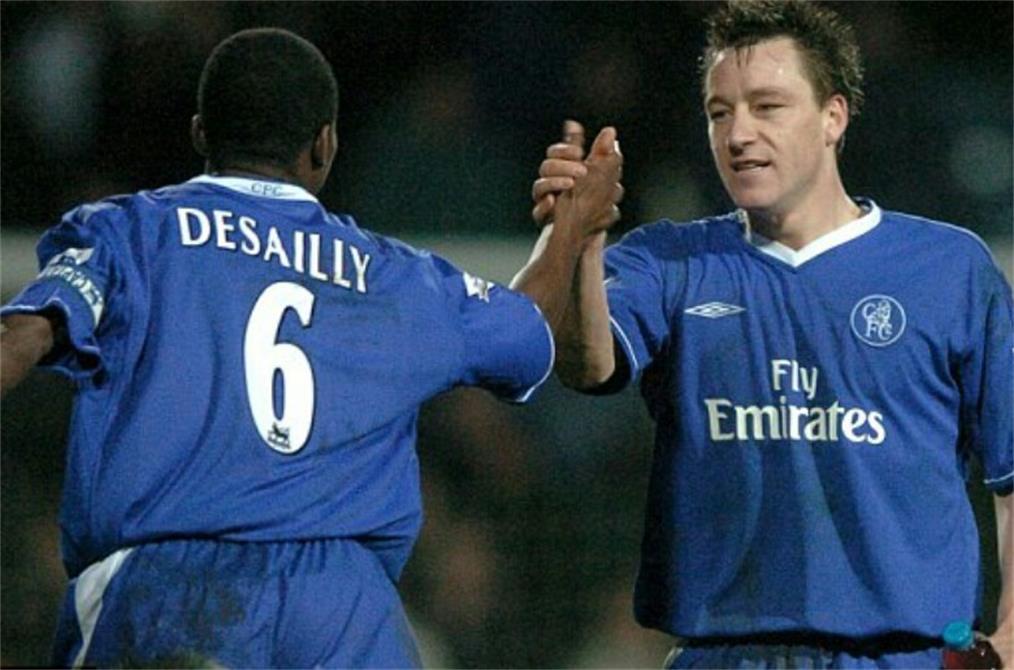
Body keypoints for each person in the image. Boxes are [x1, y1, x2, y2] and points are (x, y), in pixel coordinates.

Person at [0, 28, 622, 668]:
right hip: (342, 608)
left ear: (201, 134)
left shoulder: (131, 232)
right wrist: (571, 224)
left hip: (167, 587)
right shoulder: (391, 276)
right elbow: (526, 325)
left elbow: (20, 338)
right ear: (325, 145)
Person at [515, 1, 1012, 668]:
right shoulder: (669, 262)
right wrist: (581, 242)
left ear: (834, 116)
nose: (738, 134)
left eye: (767, 107)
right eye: (720, 113)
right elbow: (588, 364)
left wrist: (1012, 637)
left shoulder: (948, 269)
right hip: (724, 654)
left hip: (903, 656)